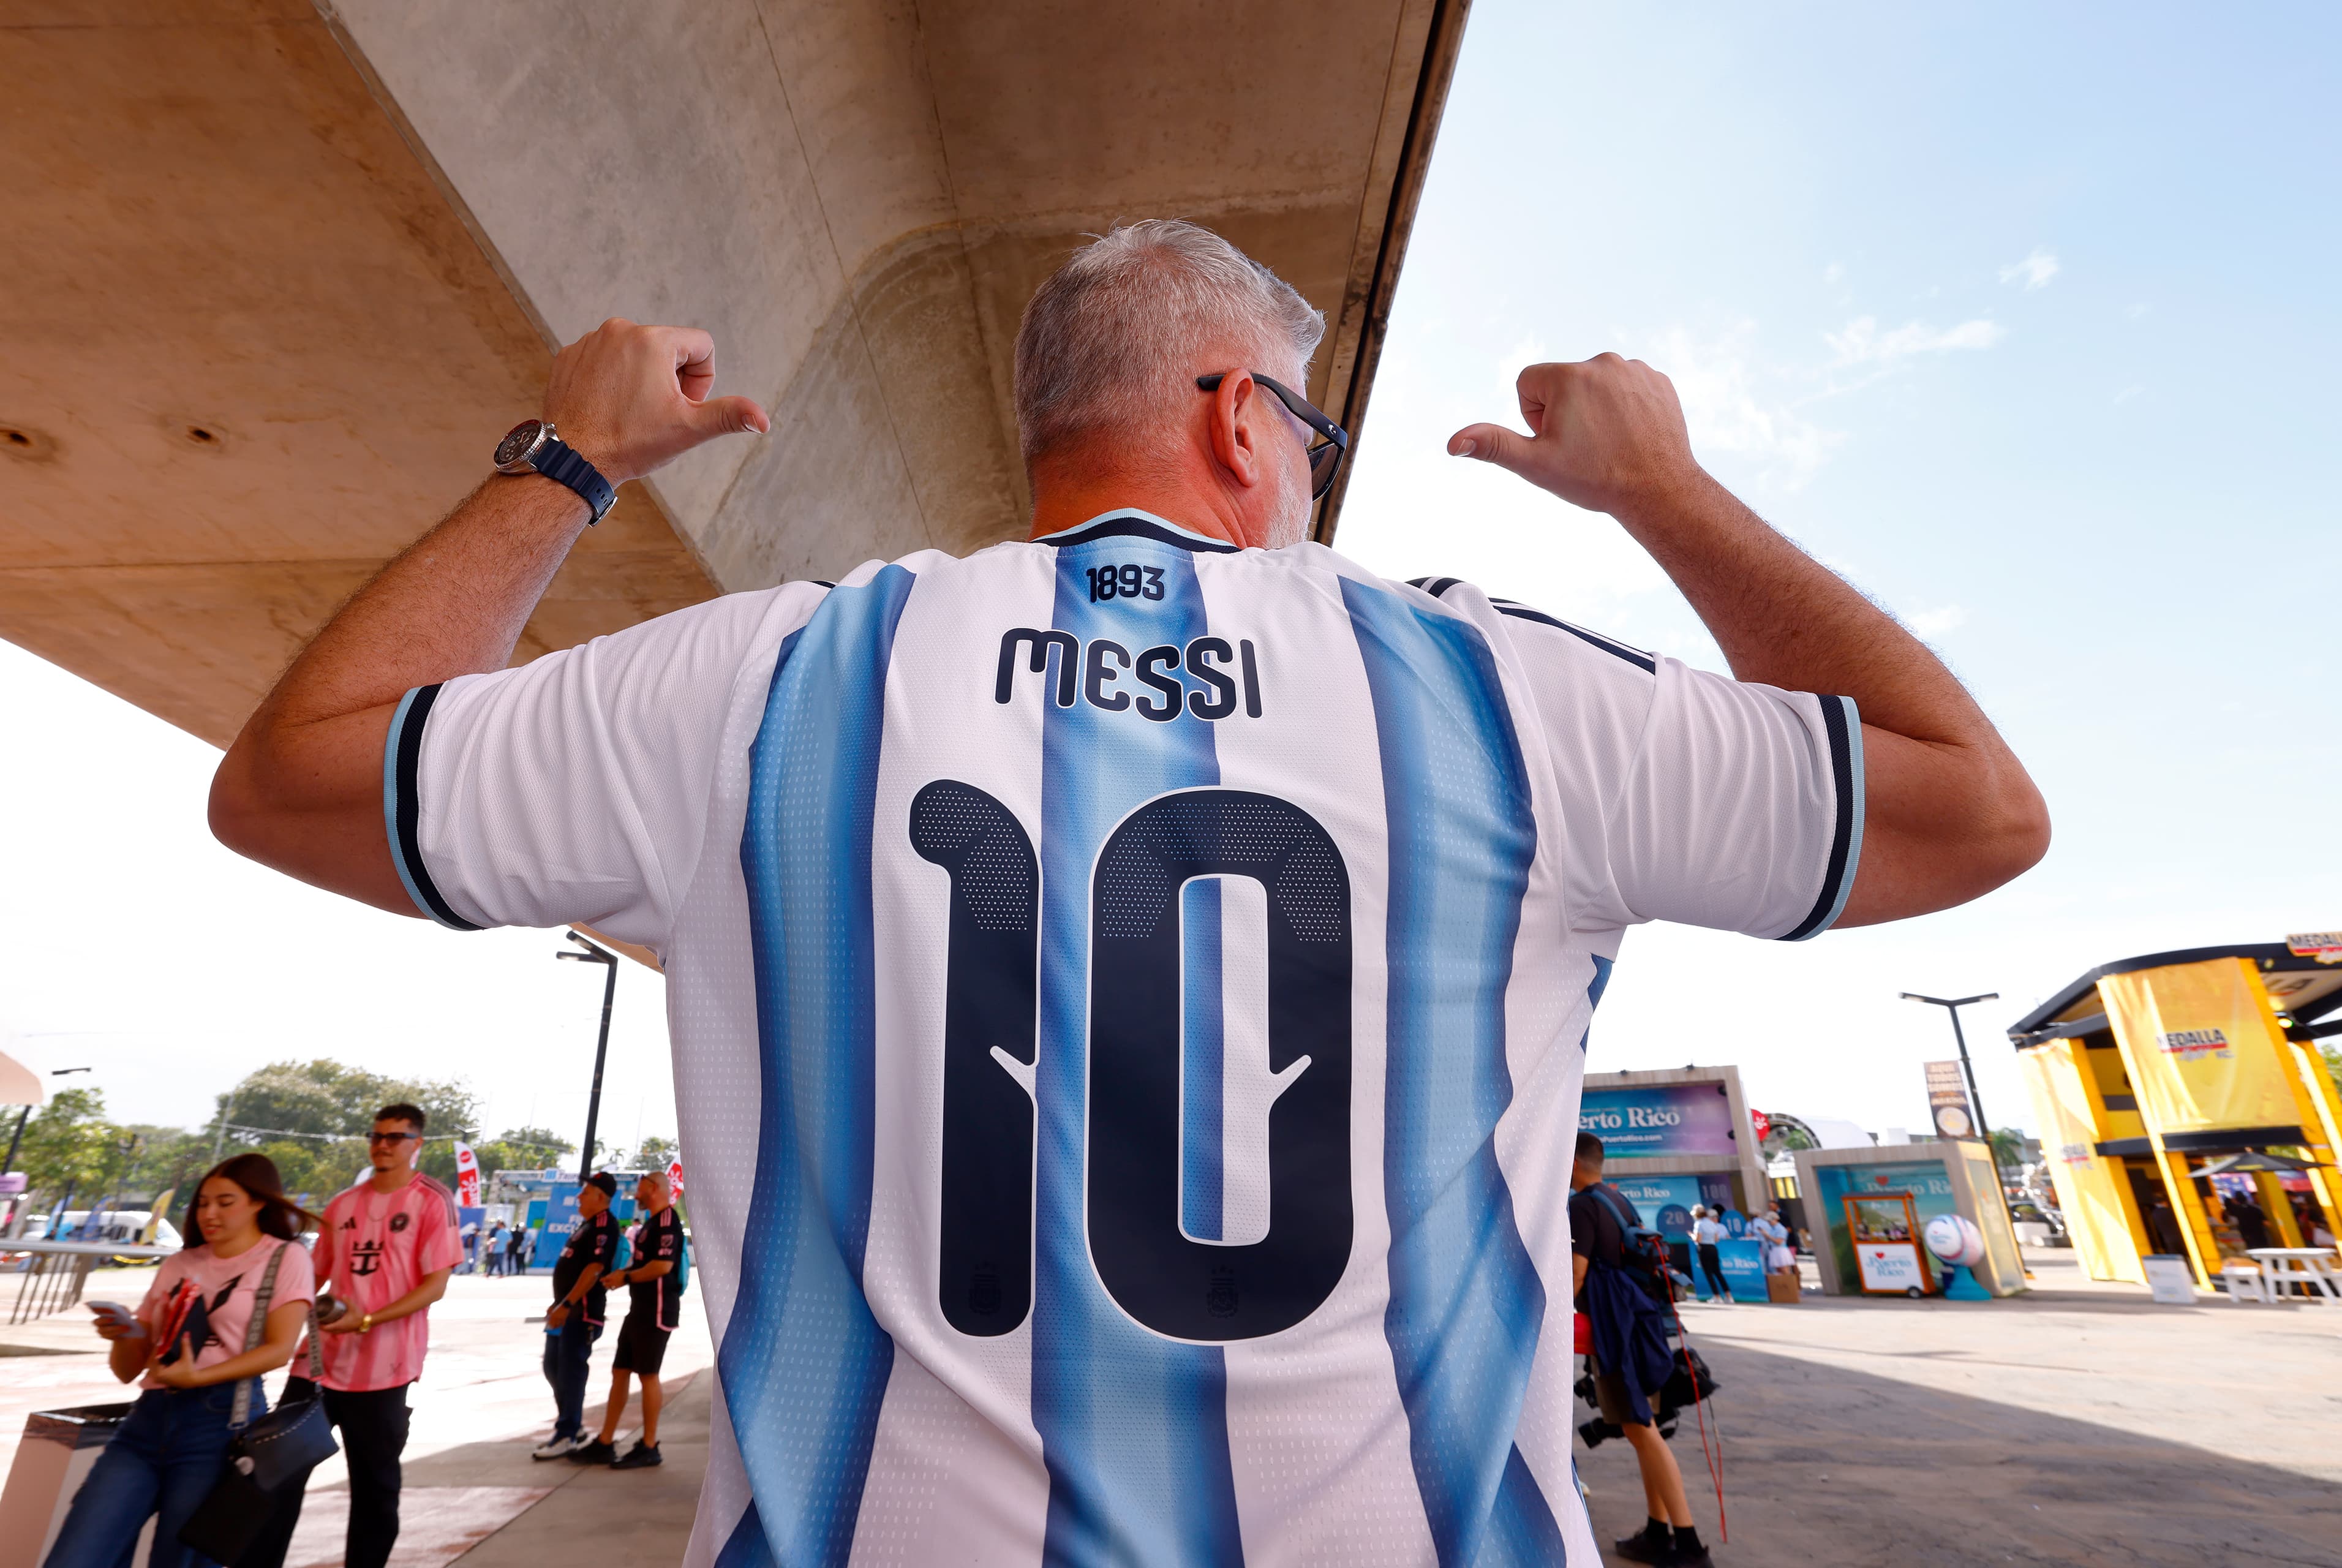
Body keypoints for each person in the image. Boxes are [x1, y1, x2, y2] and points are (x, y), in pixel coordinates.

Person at [208, 219, 2046, 1562]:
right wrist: (1662, 488)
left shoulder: (763, 680)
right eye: (1313, 440)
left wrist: (572, 458)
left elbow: (291, 778)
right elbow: (1969, 806)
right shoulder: (1494, 688)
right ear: (1243, 422)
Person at [43, 1154, 318, 1568]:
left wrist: (200, 1376)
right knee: (76, 1555)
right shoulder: (180, 1263)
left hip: (221, 1426)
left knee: (181, 1560)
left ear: (259, 1203)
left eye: (225, 1203)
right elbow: (128, 1370)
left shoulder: (285, 1258)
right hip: (146, 1423)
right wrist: (123, 1336)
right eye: (203, 1202)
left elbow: (279, 1350)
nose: (209, 1213)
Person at [243, 1104, 461, 1568]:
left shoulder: (432, 1200)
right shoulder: (344, 1204)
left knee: (375, 1489)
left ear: (416, 1144)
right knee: (277, 1475)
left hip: (385, 1370)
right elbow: (311, 1277)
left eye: (395, 1137)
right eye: (376, 1135)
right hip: (318, 1367)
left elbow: (435, 1286)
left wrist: (367, 1320)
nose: (383, 1144)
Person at [1570, 1134, 1704, 1565]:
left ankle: (1688, 1545)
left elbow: (1577, 1274)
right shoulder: (1619, 1201)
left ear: (1572, 1161)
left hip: (1615, 1333)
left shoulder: (1582, 1207)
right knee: (1643, 1430)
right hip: (1642, 1329)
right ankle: (1657, 1531)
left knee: (1642, 1430)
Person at [574, 1169, 685, 1469]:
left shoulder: (666, 1221)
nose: (636, 1192)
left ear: (653, 1187)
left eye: (640, 1186)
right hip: (640, 1309)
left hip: (657, 1310)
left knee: (648, 1374)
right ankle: (606, 1441)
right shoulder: (651, 1222)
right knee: (621, 1370)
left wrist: (626, 1276)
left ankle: (650, 1446)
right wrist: (625, 1277)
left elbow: (663, 1266)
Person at [533, 1172, 620, 1460]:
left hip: (580, 1313)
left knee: (570, 1372)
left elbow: (594, 1269)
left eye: (586, 1192)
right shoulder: (587, 1225)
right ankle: (571, 1424)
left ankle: (568, 1432)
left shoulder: (605, 1224)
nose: (580, 1197)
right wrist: (557, 1304)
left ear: (600, 1196)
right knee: (552, 1368)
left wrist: (568, 1305)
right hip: (564, 1310)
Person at [1689, 1207, 1732, 1305]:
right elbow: (1716, 1239)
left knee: (1709, 1274)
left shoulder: (1699, 1224)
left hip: (1704, 1249)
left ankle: (1717, 1297)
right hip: (1713, 1248)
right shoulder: (1712, 1223)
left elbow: (1698, 1240)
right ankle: (1729, 1296)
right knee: (1718, 1273)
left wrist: (1692, 1236)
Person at [1753, 1203, 1796, 1275]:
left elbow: (1779, 1242)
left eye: (1770, 1221)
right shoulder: (1772, 1229)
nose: (1769, 1223)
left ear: (1775, 1220)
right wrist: (1765, 1235)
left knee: (1784, 1270)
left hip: (1780, 1251)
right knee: (1778, 1271)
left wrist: (1768, 1236)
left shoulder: (1781, 1229)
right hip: (1774, 1250)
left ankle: (1789, 1285)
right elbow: (1770, 1240)